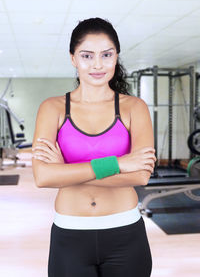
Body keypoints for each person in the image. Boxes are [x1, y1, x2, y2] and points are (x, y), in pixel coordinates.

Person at [32, 17, 156, 277]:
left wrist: (66, 172)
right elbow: (43, 177)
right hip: (69, 234)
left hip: (125, 232)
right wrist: (118, 164)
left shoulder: (134, 108)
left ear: (116, 56)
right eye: (87, 55)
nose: (97, 65)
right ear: (73, 58)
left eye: (106, 55)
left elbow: (141, 175)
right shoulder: (52, 108)